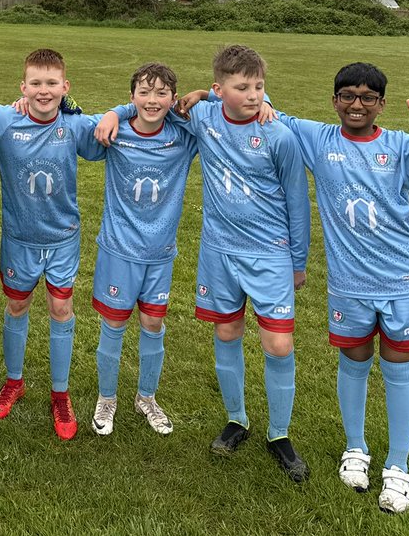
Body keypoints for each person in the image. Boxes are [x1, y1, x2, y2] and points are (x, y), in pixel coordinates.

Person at [272, 63, 409, 513]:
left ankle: (398, 467)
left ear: (381, 105)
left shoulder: (402, 147)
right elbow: (262, 108)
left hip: (403, 282)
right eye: (348, 95)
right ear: (334, 101)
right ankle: (355, 449)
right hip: (349, 286)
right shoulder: (318, 138)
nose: (357, 104)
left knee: (399, 367)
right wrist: (204, 95)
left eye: (368, 97)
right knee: (353, 361)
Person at [114, 44, 312, 480]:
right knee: (227, 331)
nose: (254, 95)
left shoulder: (278, 134)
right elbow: (155, 106)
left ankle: (279, 433)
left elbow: (298, 202)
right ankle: (237, 419)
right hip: (219, 252)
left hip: (270, 254)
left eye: (260, 87)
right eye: (243, 88)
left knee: (278, 344)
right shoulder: (202, 117)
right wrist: (117, 110)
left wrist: (298, 260)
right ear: (221, 89)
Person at [0, 48, 105, 440]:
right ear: (23, 87)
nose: (43, 91)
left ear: (65, 87)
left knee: (61, 307)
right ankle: (14, 382)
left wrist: (113, 113)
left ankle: (60, 394)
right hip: (19, 239)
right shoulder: (5, 118)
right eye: (35, 83)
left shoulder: (75, 124)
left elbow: (119, 123)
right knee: (17, 305)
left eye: (52, 83)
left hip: (63, 239)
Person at [84, 62, 198, 438]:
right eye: (144, 93)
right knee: (114, 324)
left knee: (152, 323)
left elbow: (232, 105)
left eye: (161, 92)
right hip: (119, 251)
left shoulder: (184, 136)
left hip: (161, 252)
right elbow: (68, 125)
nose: (152, 100)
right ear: (132, 96)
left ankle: (146, 397)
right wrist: (114, 113)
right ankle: (107, 397)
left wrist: (202, 95)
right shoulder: (112, 134)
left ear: (173, 98)